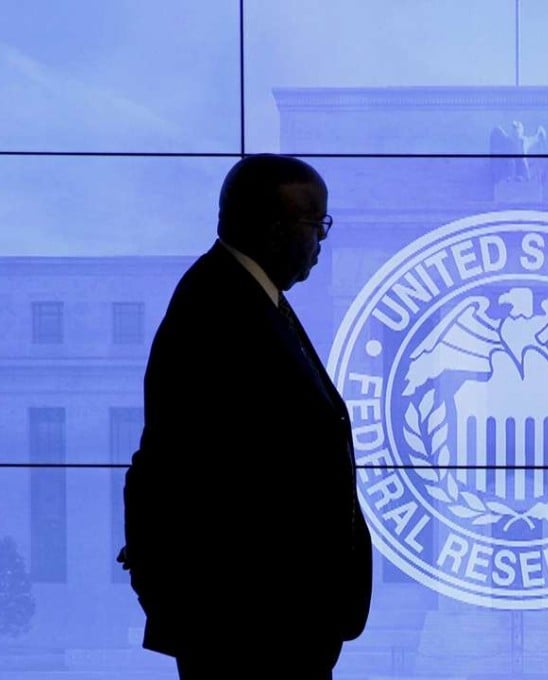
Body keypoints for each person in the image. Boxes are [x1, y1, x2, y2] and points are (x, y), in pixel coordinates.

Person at [117, 154, 373, 678]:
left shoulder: (249, 296)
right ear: (276, 229)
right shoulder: (216, 307)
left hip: (275, 620)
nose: (322, 242)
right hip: (251, 629)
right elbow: (178, 465)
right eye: (316, 224)